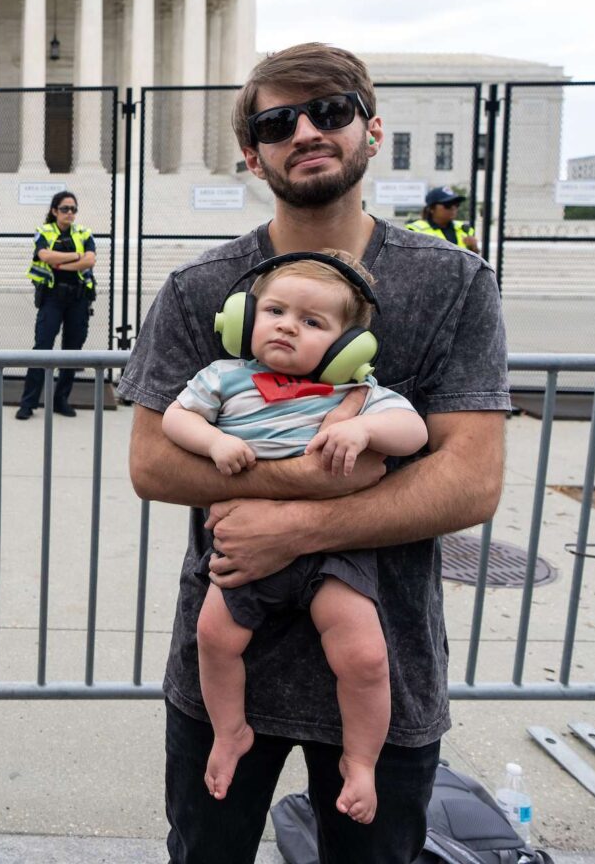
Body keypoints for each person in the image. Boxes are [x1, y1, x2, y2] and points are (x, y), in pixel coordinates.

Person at [120, 42, 509, 863]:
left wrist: (295, 528)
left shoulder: (455, 283)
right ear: (252, 153)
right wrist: (330, 483)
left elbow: (470, 481)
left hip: (384, 657)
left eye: (329, 111)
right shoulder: (203, 288)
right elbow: (154, 462)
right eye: (276, 121)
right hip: (227, 651)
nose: (305, 131)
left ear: (371, 128)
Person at [161, 250, 427, 817]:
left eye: (313, 322)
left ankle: (359, 762)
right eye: (276, 310)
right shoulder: (226, 377)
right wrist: (214, 442)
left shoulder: (353, 391)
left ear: (344, 347)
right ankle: (230, 731)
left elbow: (413, 432)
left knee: (364, 657)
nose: (286, 325)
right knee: (213, 637)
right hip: (244, 547)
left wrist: (363, 427)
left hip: (333, 551)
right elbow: (175, 418)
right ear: (244, 319)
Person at [18, 189, 96, 420]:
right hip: (52, 298)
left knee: (72, 352)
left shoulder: (83, 232)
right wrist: (76, 257)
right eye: (65, 209)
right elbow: (44, 256)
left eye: (73, 209)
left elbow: (90, 260)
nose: (70, 213)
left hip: (78, 299)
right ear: (54, 211)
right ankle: (28, 403)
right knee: (42, 349)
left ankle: (61, 400)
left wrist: (61, 263)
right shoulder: (44, 231)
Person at [405, 185, 479, 253]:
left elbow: (474, 262)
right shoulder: (415, 231)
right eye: (448, 205)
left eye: (456, 205)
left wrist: (473, 248)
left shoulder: (464, 229)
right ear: (431, 208)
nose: (453, 208)